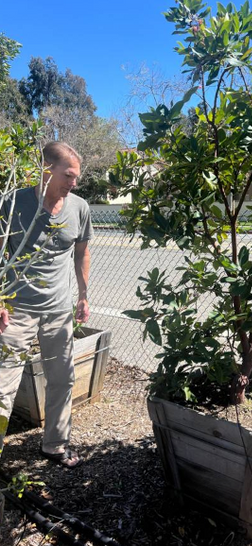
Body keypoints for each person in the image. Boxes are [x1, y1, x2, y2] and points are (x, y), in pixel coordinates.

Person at [0, 141, 93, 468]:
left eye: (76, 176)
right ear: (46, 170)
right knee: (3, 385)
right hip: (16, 311)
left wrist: (83, 295)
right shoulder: (12, 204)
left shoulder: (79, 208)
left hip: (57, 312)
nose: (74, 182)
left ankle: (54, 445)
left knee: (63, 379)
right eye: (69, 175)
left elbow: (81, 251)